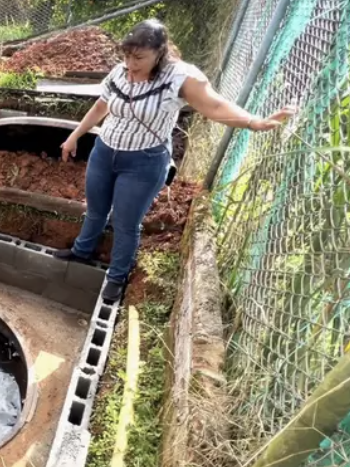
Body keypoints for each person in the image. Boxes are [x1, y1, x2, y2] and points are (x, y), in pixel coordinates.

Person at [56, 19, 295, 302]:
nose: (131, 64)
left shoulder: (178, 78)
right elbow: (101, 106)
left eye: (139, 58)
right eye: (127, 56)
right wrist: (75, 136)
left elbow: (214, 105)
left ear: (159, 52)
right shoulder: (120, 72)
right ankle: (82, 251)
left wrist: (253, 122)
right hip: (104, 151)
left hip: (144, 162)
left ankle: (117, 275)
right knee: (96, 209)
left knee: (125, 221)